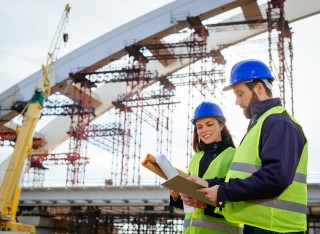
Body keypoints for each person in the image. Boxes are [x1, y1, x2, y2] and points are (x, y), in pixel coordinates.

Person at [196, 59, 308, 233]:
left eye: (240, 94)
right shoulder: (262, 124)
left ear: (259, 88)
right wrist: (208, 184)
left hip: (276, 227)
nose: (237, 102)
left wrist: (224, 192)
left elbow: (276, 177)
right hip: (261, 225)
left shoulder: (279, 122)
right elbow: (246, 175)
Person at [169, 101, 242, 233]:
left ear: (221, 125)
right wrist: (176, 196)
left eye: (209, 124)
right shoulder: (195, 159)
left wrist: (205, 205)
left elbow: (239, 199)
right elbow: (190, 205)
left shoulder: (235, 156)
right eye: (200, 127)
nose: (204, 130)